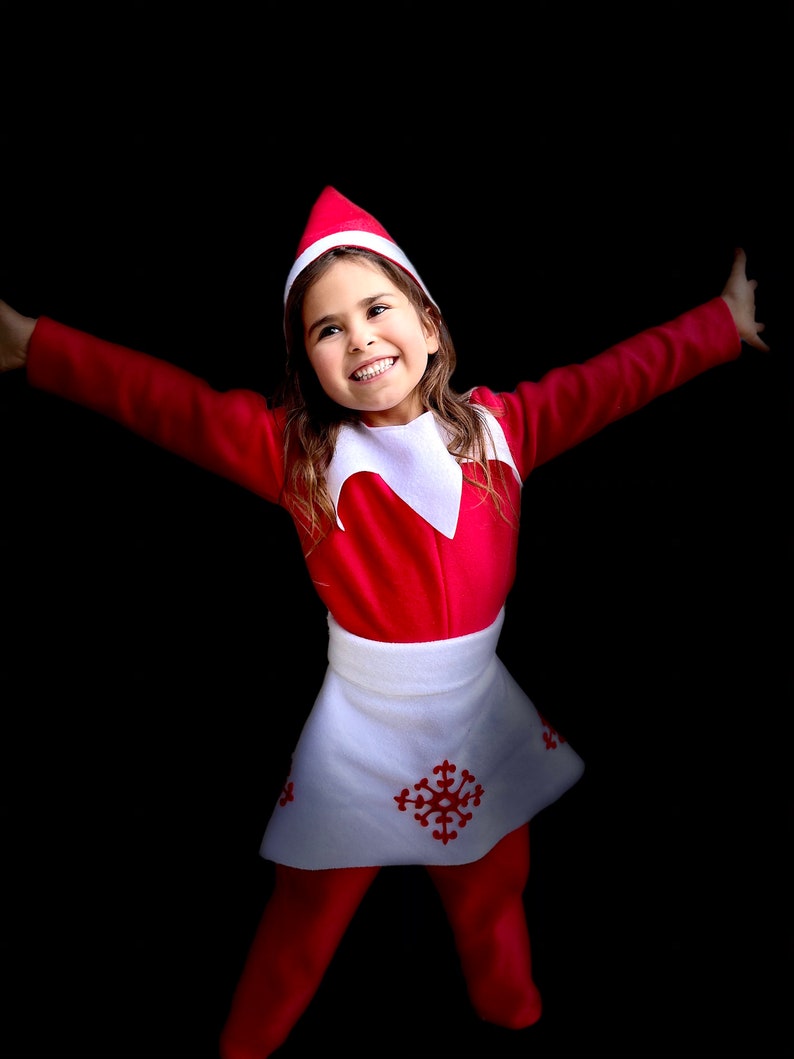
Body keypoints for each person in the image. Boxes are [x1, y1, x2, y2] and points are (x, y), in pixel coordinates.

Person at [0, 186, 769, 1059]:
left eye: (375, 309)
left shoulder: (501, 429)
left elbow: (616, 378)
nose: (359, 336)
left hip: (475, 716)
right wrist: (36, 345)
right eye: (327, 329)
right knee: (309, 909)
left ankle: (515, 1018)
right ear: (309, 364)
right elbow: (166, 402)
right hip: (362, 726)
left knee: (492, 888)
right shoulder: (299, 454)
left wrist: (718, 326)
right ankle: (244, 1046)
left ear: (430, 327)